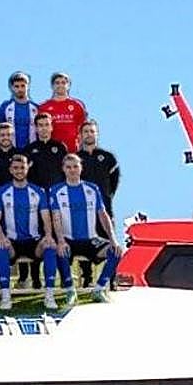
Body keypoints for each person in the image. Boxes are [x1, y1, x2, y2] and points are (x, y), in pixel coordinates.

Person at [50, 154, 122, 303]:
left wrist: (113, 239)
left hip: (90, 240)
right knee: (58, 251)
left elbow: (103, 215)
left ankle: (99, 289)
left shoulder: (92, 189)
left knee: (116, 251)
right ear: (63, 169)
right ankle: (70, 291)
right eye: (68, 167)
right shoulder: (56, 190)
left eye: (75, 166)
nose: (72, 170)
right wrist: (61, 241)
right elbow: (56, 218)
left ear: (81, 168)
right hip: (69, 240)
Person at [0, 155, 59, 310]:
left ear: (27, 168)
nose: (19, 171)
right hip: (11, 241)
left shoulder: (38, 191)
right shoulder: (2, 191)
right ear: (10, 170)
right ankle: (5, 297)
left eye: (22, 167)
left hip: (33, 242)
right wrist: (1, 237)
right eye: (15, 168)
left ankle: (49, 296)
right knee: (1, 247)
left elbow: (46, 218)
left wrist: (48, 236)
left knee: (50, 246)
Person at [76, 120, 121, 287]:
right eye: (86, 131)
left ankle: (111, 279)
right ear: (80, 135)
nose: (89, 134)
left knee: (110, 241)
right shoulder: (76, 159)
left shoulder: (107, 157)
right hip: (83, 209)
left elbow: (114, 181)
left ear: (97, 134)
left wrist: (107, 195)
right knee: (85, 241)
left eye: (92, 131)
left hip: (104, 207)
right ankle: (87, 278)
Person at [38, 71, 88, 153]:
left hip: (73, 150)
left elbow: (84, 128)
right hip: (51, 151)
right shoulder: (43, 107)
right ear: (52, 86)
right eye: (57, 83)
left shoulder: (77, 105)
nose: (60, 85)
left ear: (68, 85)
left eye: (63, 83)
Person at [23, 112, 67, 190]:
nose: (44, 128)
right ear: (36, 129)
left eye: (47, 125)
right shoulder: (29, 149)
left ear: (51, 127)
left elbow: (66, 169)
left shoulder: (60, 147)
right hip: (36, 191)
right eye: (40, 125)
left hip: (57, 190)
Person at [0, 71, 39, 150]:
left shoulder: (36, 108)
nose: (20, 89)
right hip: (11, 151)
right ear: (12, 88)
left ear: (28, 86)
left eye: (23, 86)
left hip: (32, 151)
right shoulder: (5, 107)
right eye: (16, 86)